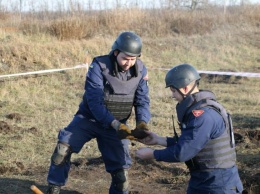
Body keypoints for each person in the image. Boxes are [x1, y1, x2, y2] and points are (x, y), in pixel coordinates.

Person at [46, 31, 151, 194]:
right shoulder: (99, 66)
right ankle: (54, 186)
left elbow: (142, 100)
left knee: (121, 174)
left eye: (133, 59)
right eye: (125, 58)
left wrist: (142, 123)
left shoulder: (141, 71)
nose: (128, 63)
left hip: (118, 124)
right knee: (62, 150)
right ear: (116, 52)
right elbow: (95, 102)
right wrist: (114, 123)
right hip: (89, 119)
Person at [135, 64, 243, 194]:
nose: (172, 96)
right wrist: (158, 140)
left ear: (185, 88)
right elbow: (192, 142)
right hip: (203, 180)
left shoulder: (203, 116)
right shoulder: (199, 110)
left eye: (173, 91)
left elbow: (183, 152)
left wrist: (152, 154)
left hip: (218, 184)